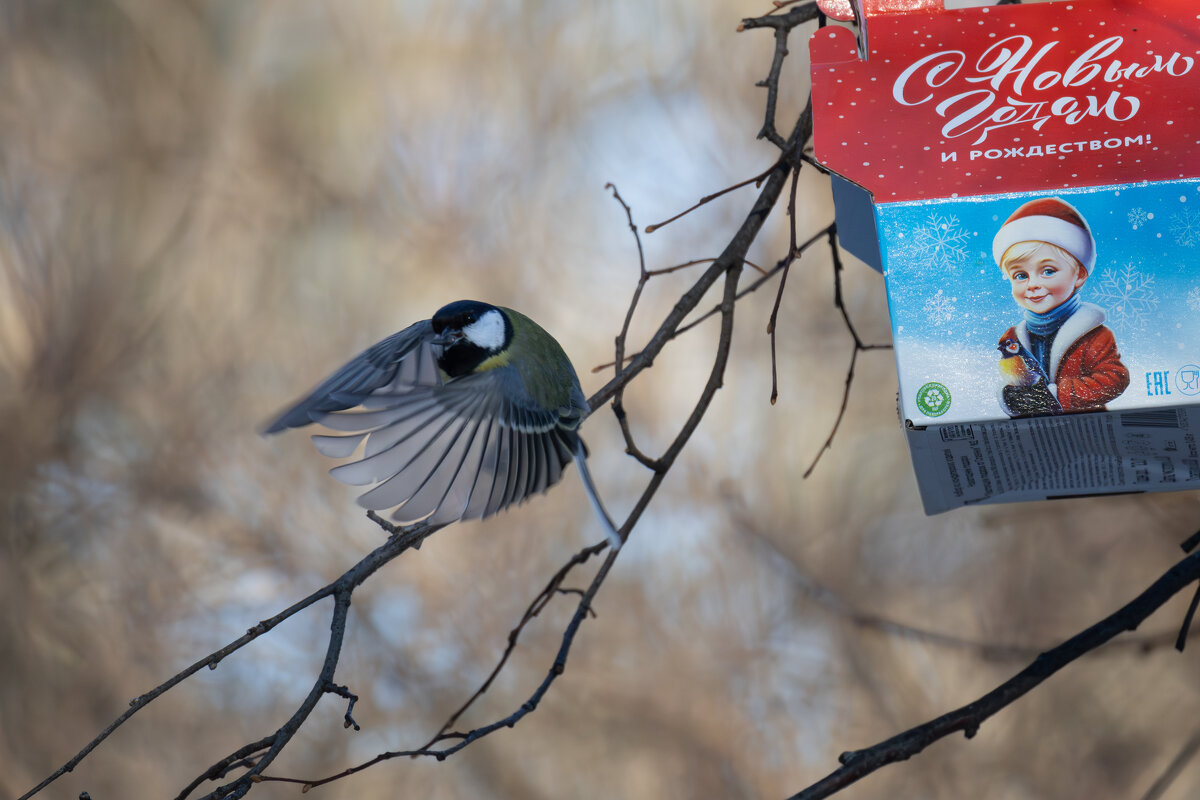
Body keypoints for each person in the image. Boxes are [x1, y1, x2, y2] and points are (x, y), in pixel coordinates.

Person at [993, 197, 1129, 417]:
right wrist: (1010, 396)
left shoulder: (1092, 334)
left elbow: (1115, 378)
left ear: (1080, 274)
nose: (1033, 284)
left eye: (1048, 271)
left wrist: (1056, 395)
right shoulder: (1012, 340)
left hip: (1087, 424)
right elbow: (1009, 379)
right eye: (1020, 275)